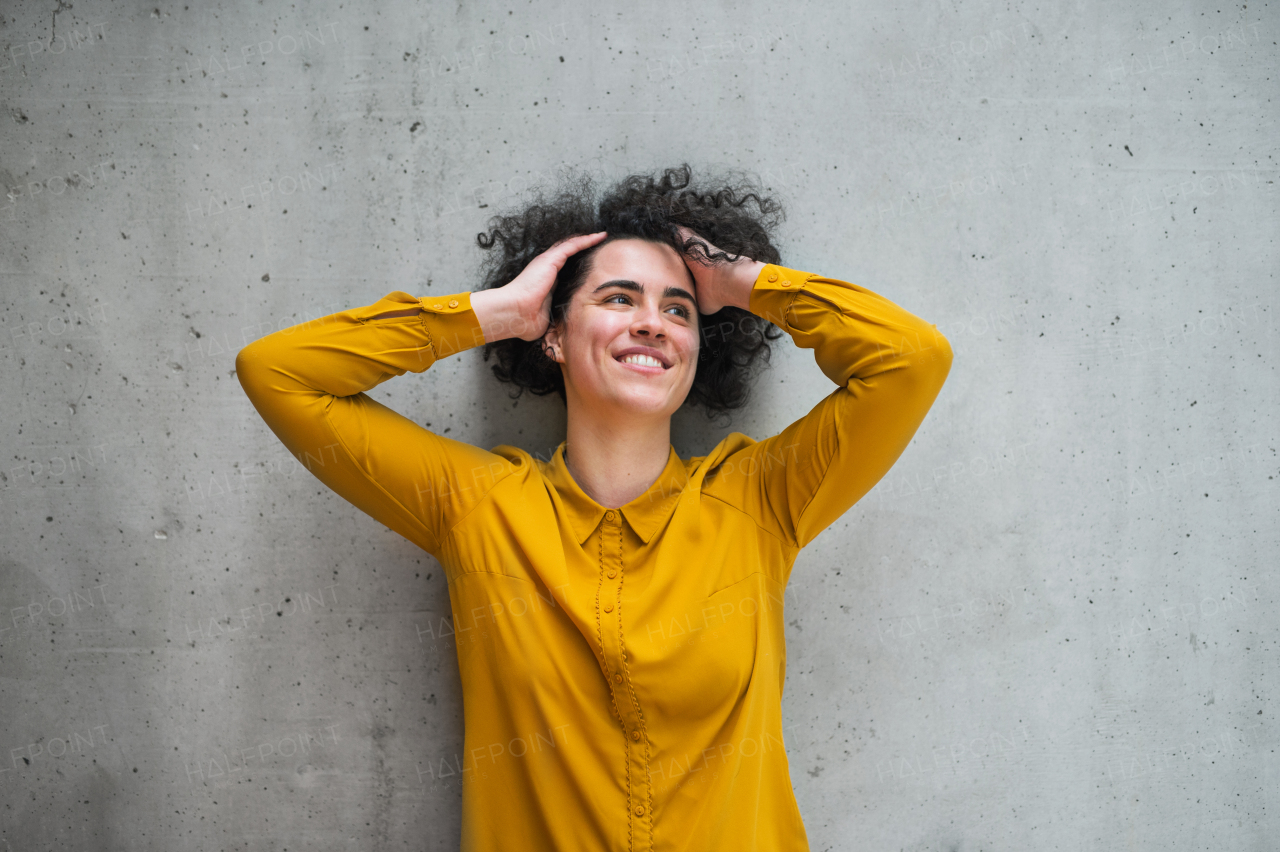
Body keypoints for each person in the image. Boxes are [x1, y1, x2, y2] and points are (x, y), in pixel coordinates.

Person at [235, 164, 952, 851]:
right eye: (619, 299)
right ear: (553, 334)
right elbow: (279, 374)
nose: (653, 323)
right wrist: (497, 313)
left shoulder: (762, 501)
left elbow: (911, 359)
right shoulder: (479, 510)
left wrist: (739, 281)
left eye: (678, 309)